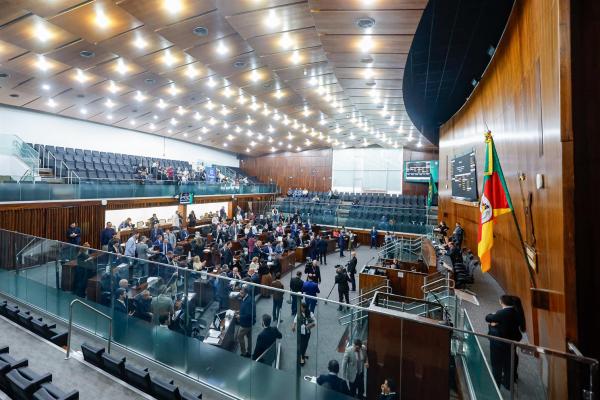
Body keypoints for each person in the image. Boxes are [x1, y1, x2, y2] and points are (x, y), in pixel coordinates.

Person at [485, 295, 525, 389]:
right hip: (512, 340)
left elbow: (488, 318)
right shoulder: (517, 311)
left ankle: (495, 385)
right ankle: (508, 383)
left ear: (501, 302)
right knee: (509, 362)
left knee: (496, 364)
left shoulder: (502, 313)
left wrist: (493, 321)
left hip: (500, 342)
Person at [237, 284, 256, 357]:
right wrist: (239, 312)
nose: (240, 294)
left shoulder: (248, 302)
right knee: (249, 337)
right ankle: (249, 352)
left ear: (246, 292)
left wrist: (240, 316)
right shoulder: (247, 298)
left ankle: (244, 353)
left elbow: (248, 314)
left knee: (239, 336)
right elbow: (245, 310)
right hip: (249, 323)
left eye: (242, 293)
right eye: (240, 292)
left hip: (246, 324)